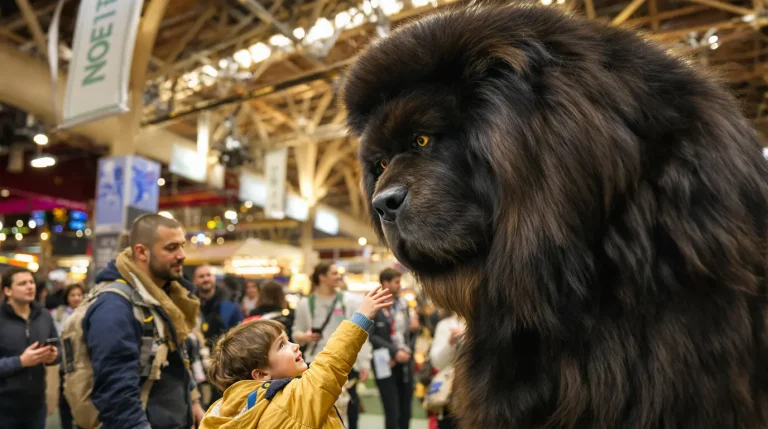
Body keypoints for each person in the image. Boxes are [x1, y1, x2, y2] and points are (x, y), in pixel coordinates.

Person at [199, 286, 393, 429]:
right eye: (281, 345)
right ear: (261, 374)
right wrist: (361, 317)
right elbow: (331, 364)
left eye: (288, 340)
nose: (295, 346)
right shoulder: (292, 400)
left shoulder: (221, 410)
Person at [85, 214, 204, 429]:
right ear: (141, 252)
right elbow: (116, 395)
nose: (182, 255)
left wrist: (193, 401)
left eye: (182, 246)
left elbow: (175, 360)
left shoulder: (163, 298)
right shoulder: (115, 308)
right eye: (171, 248)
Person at [293, 263, 373, 429]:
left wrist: (364, 362)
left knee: (350, 412)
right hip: (315, 364)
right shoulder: (305, 304)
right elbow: (296, 333)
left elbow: (359, 332)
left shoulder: (348, 300)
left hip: (346, 365)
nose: (338, 276)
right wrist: (306, 337)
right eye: (334, 273)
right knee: (317, 413)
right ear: (322, 276)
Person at [0, 266, 59, 429]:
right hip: (4, 408)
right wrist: (20, 361)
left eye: (32, 282)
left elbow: (58, 347)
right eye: (22, 283)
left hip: (36, 406)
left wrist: (54, 356)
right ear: (8, 291)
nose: (30, 286)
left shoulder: (44, 315)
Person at [369, 268, 418, 429]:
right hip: (384, 361)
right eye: (397, 282)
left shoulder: (405, 305)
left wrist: (407, 351)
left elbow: (413, 332)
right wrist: (394, 352)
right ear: (385, 283)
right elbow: (371, 336)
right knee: (392, 410)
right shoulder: (374, 306)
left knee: (406, 409)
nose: (400, 285)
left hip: (405, 361)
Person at [194, 264, 244, 408]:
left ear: (214, 278)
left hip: (223, 368)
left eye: (208, 275)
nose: (205, 279)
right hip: (196, 366)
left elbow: (240, 336)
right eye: (201, 276)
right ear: (195, 281)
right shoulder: (189, 305)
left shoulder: (230, 306)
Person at [52, 283, 85, 429]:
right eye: (73, 295)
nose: (76, 298)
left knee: (82, 397)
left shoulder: (89, 312)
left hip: (83, 364)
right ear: (67, 297)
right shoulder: (58, 315)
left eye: (79, 295)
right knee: (65, 397)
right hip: (64, 364)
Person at [429, 313, 465, 429]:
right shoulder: (445, 325)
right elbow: (437, 362)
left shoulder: (486, 322)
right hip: (451, 392)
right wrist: (450, 342)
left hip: (480, 395)